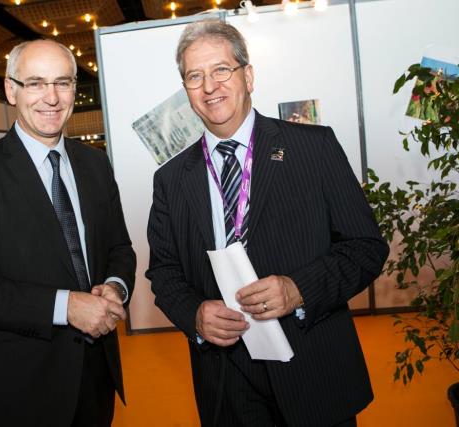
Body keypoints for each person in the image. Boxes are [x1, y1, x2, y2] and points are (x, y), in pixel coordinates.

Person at [146, 20, 388, 427]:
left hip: (312, 364)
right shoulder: (171, 179)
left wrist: (298, 290)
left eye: (221, 69)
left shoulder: (314, 148)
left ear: (249, 76)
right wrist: (195, 315)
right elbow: (164, 272)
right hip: (226, 378)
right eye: (195, 76)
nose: (209, 87)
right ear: (185, 88)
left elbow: (366, 246)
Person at [0, 39, 136, 427]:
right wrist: (66, 306)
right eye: (35, 83)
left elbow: (120, 247)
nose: (51, 97)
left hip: (97, 376)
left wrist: (115, 287)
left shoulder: (96, 164)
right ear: (11, 90)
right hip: (25, 389)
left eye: (62, 83)